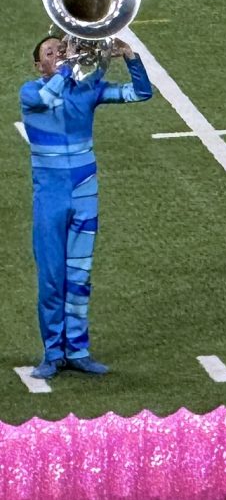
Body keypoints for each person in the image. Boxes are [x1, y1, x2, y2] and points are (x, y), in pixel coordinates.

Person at [19, 36, 153, 376]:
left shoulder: (86, 90)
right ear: (39, 66)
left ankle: (77, 351)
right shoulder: (31, 93)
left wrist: (130, 57)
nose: (58, 55)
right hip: (50, 199)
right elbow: (49, 99)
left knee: (79, 279)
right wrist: (70, 69)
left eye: (61, 50)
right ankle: (52, 353)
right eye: (50, 53)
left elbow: (140, 93)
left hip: (84, 195)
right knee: (52, 279)